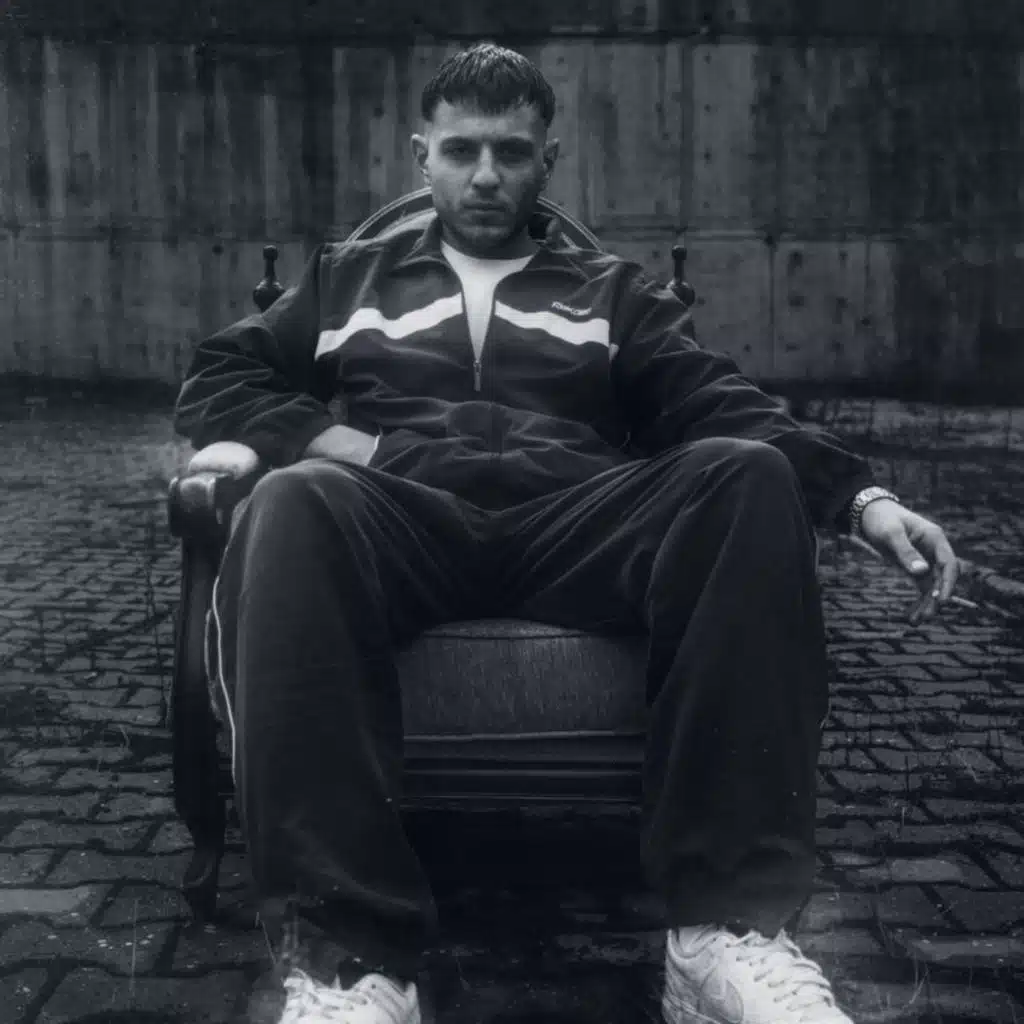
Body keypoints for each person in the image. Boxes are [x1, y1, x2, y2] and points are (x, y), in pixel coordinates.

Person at [174, 42, 959, 1024]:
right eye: (462, 150)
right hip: (401, 516)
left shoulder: (609, 289)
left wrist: (861, 498)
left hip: (571, 522)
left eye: (511, 152)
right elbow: (219, 376)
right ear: (422, 156)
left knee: (743, 474)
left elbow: (715, 399)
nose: (486, 175)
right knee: (292, 502)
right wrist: (345, 446)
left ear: (547, 160)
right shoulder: (349, 279)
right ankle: (350, 965)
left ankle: (720, 935)